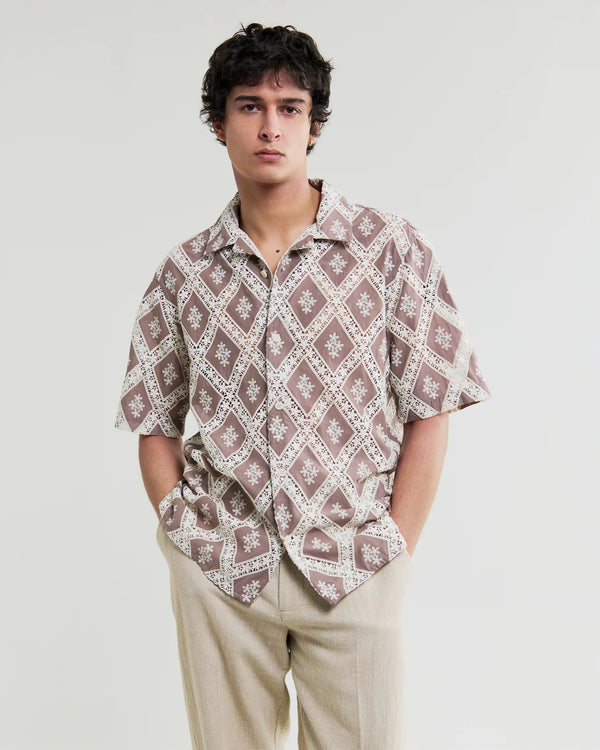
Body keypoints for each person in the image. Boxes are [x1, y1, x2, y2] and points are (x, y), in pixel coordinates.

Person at [115, 22, 490, 750]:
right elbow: (153, 420)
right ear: (218, 123)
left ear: (314, 124)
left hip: (355, 566)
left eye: (290, 107)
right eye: (249, 106)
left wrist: (394, 548)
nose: (271, 126)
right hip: (222, 570)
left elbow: (433, 405)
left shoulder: (390, 248)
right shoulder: (183, 272)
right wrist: (183, 537)